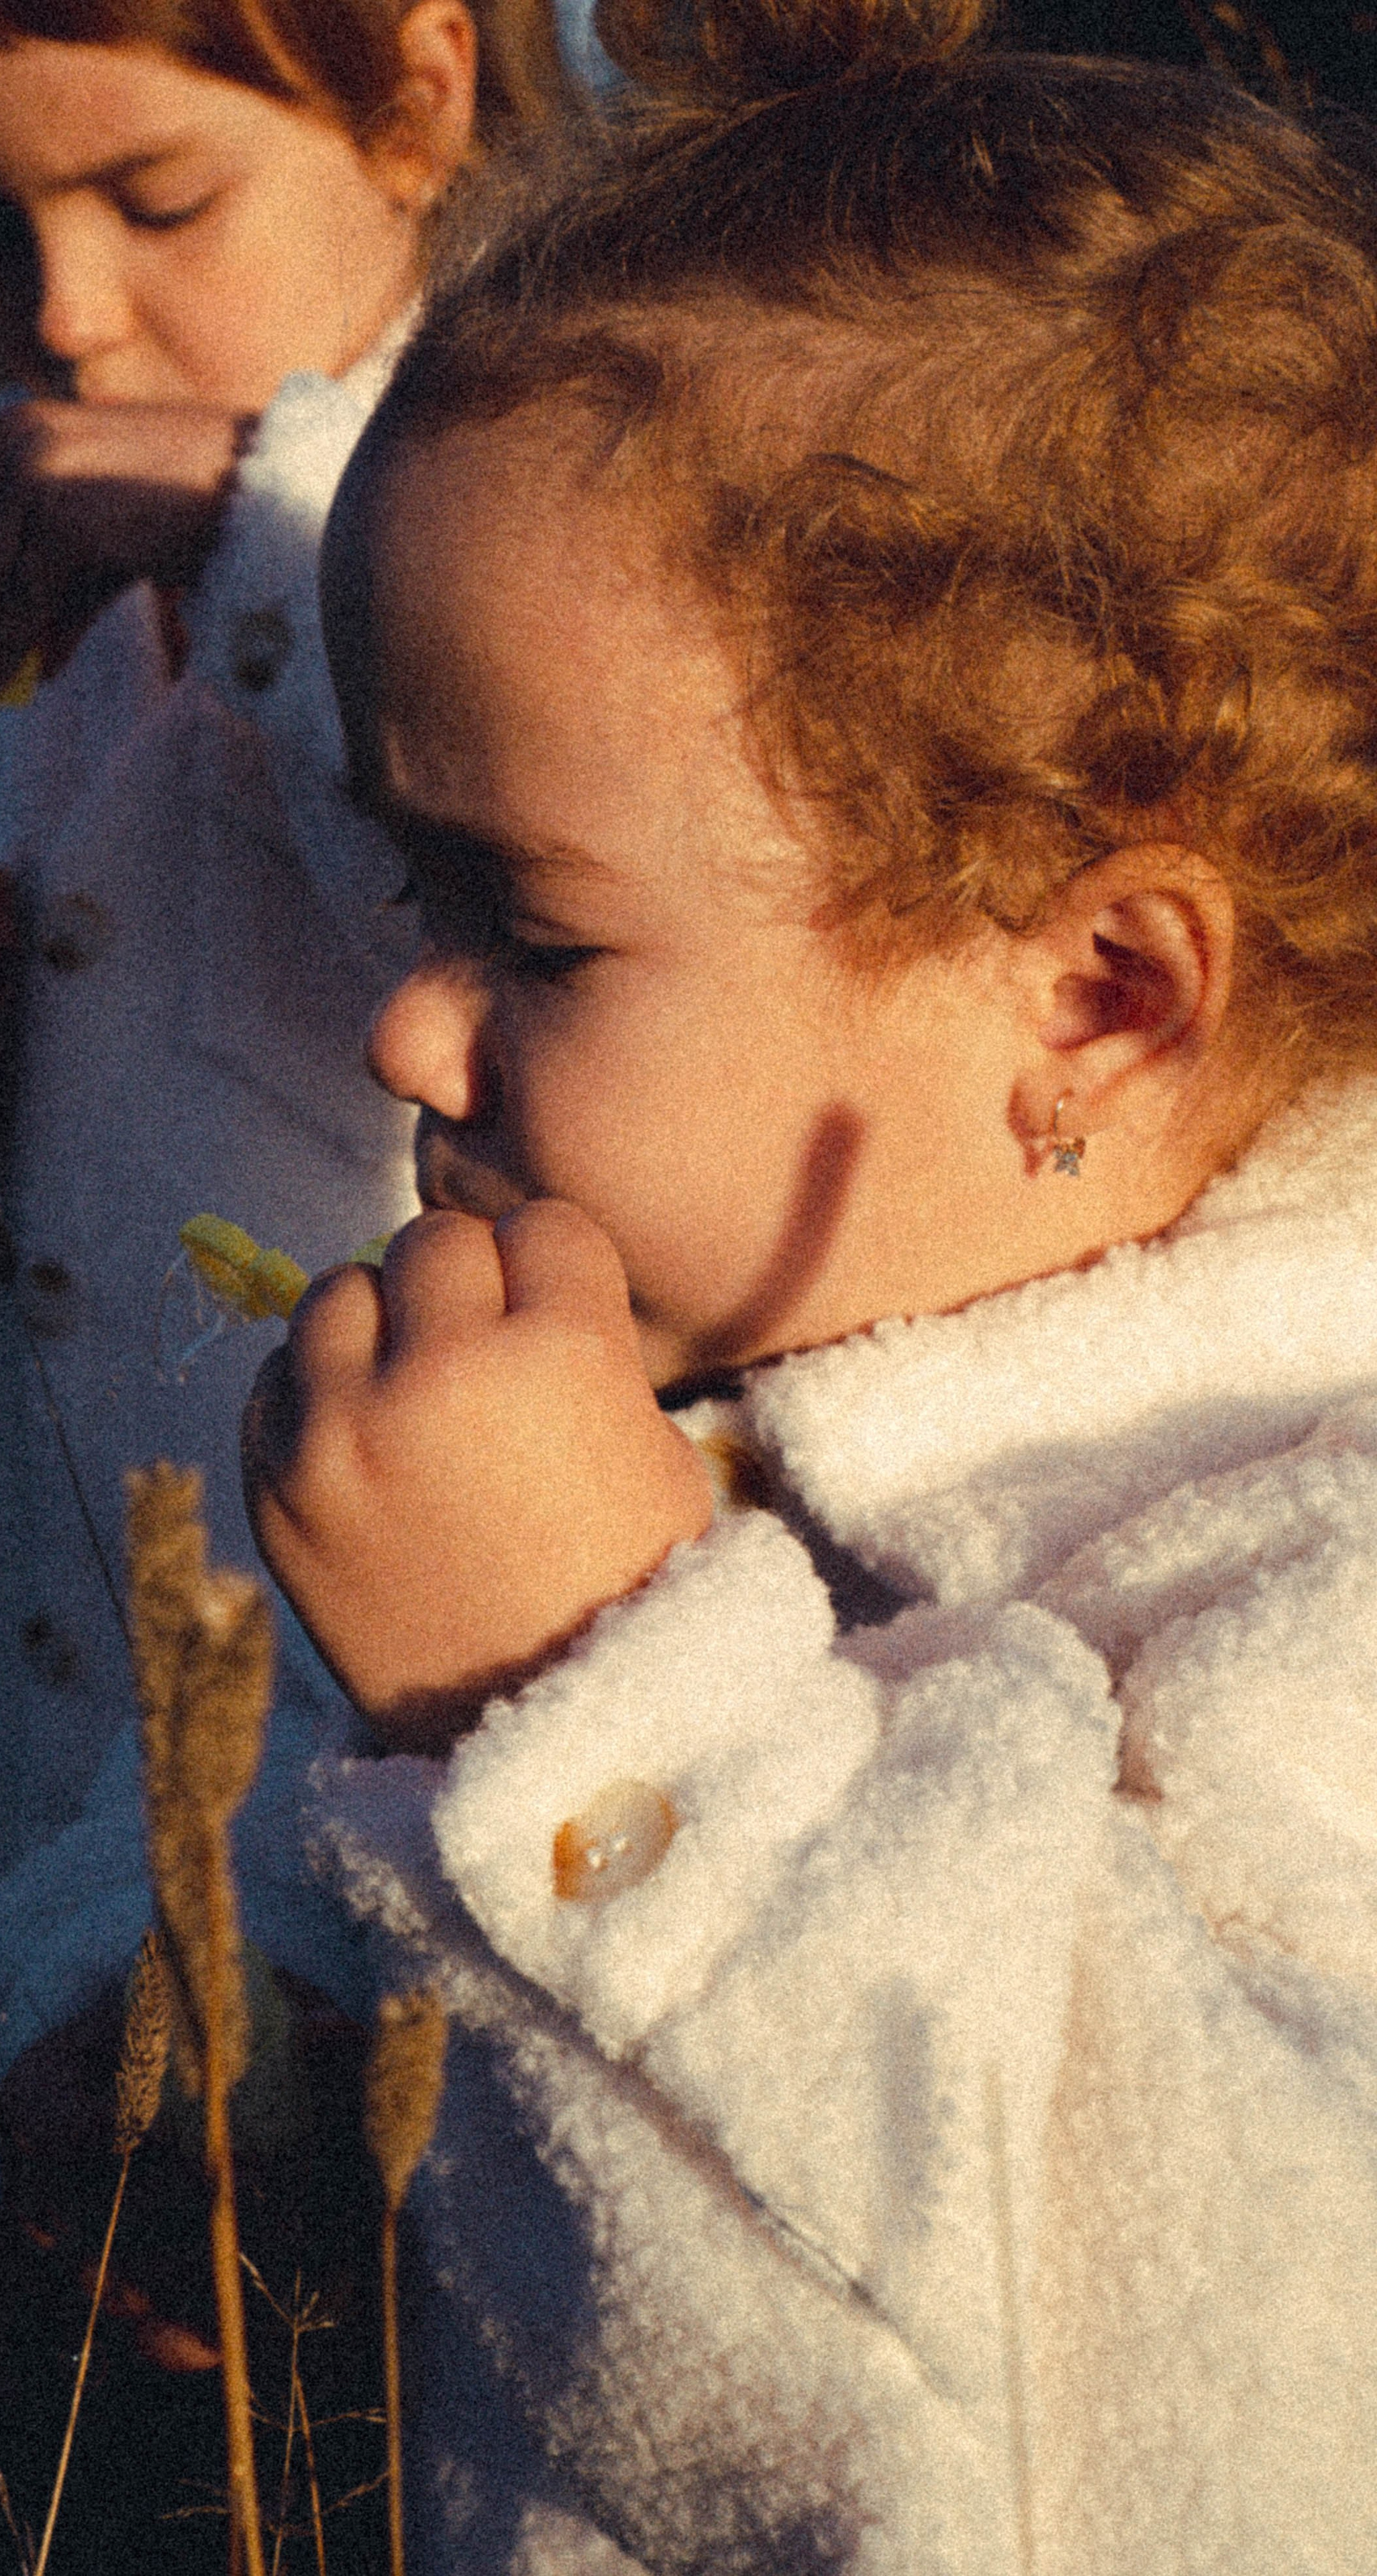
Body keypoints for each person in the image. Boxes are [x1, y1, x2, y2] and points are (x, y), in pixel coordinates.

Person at [244, 0, 1377, 2561]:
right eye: (413, 891)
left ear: (1097, 993)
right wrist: (233, 2028)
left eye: (528, 928)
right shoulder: (722, 1385)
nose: (406, 1026)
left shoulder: (1313, 1581)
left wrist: (583, 1691)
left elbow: (1231, 2420)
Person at [0, 0, 575, 2219]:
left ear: (422, 88)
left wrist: (265, 534)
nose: (64, 311)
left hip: (460, 1824)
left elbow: (580, 954)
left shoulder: (606, 526)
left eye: (158, 199)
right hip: (57, 1794)